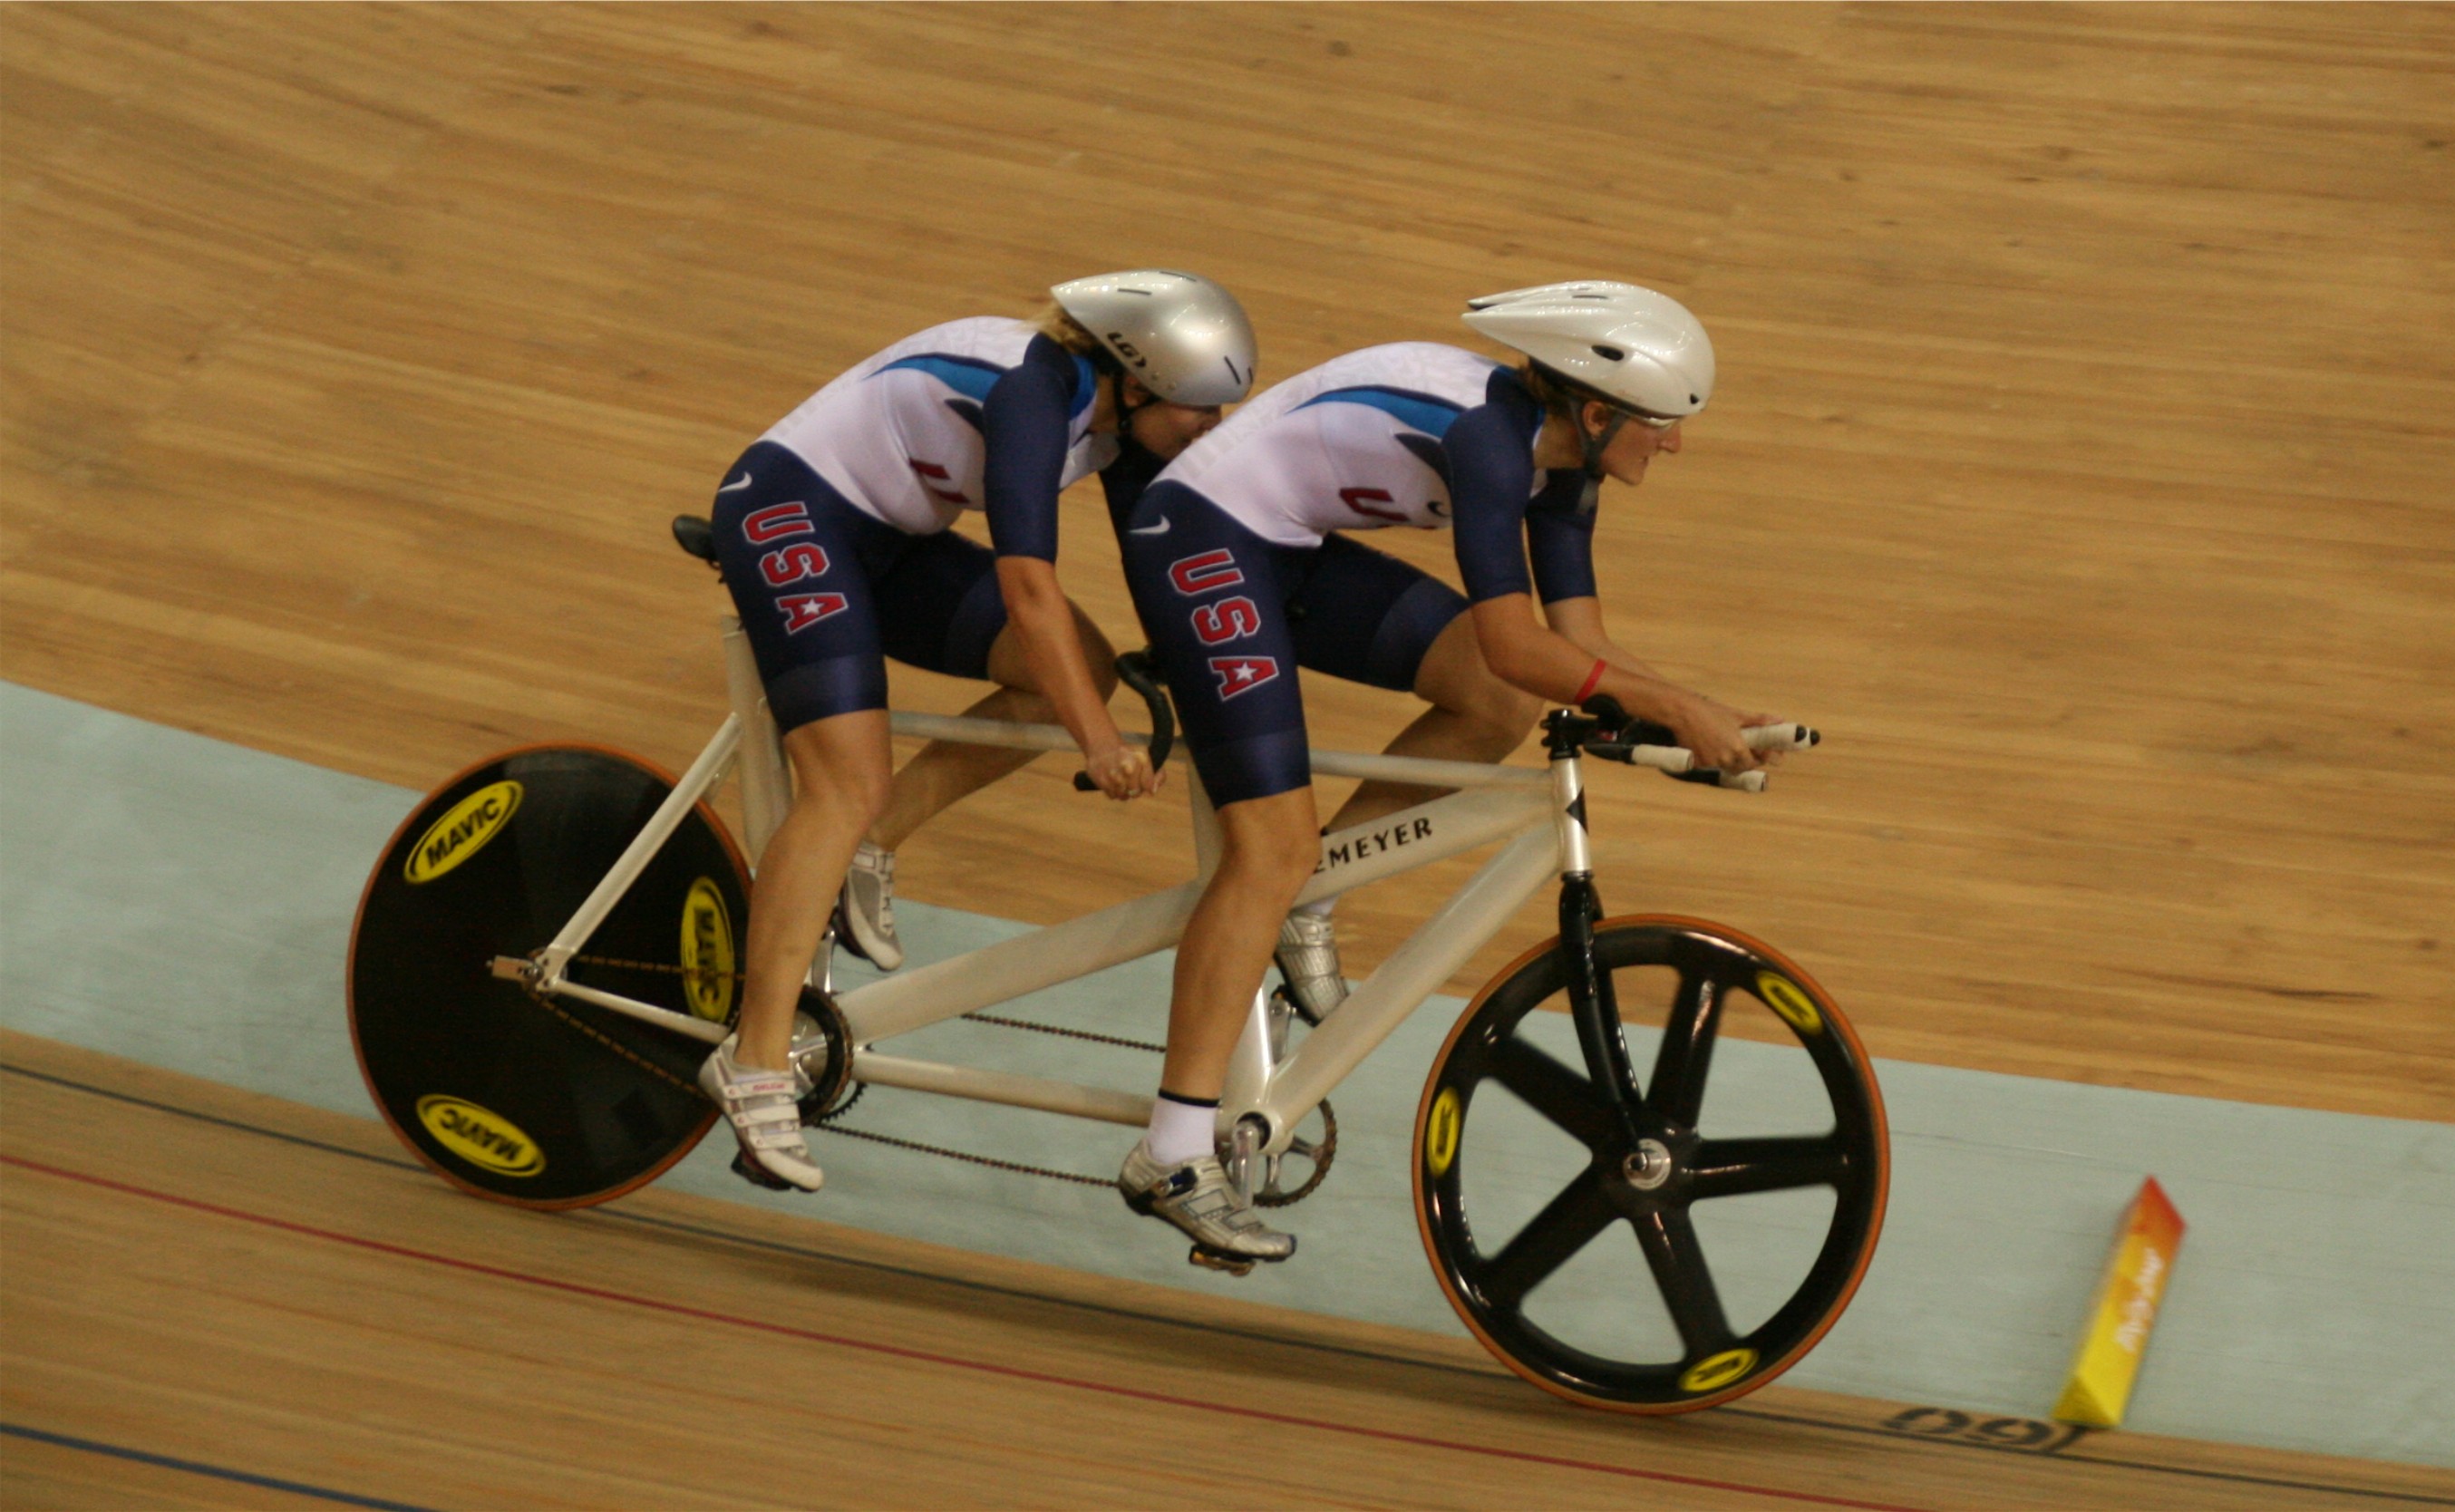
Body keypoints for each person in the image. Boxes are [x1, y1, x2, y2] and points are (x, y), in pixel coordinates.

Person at [1112, 281, 1780, 1265]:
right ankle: (1169, 1152)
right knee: (1269, 847)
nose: (1672, 443)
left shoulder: (1566, 466)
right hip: (1202, 542)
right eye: (1660, 423)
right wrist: (1672, 709)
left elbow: (1574, 641)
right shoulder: (1486, 440)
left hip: (1286, 551)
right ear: (1595, 413)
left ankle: (1306, 898)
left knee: (1496, 704)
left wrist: (1694, 714)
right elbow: (1514, 639)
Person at [700, 270, 1257, 1193]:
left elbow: (1155, 561)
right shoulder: (1033, 395)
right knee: (844, 780)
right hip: (789, 511)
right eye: (1203, 406)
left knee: (1068, 671)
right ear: (1135, 379)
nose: (1215, 426)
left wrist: (1201, 687)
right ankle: (753, 1062)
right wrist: (1098, 745)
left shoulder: (1122, 424)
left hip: (887, 537)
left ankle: (871, 845)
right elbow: (1026, 587)